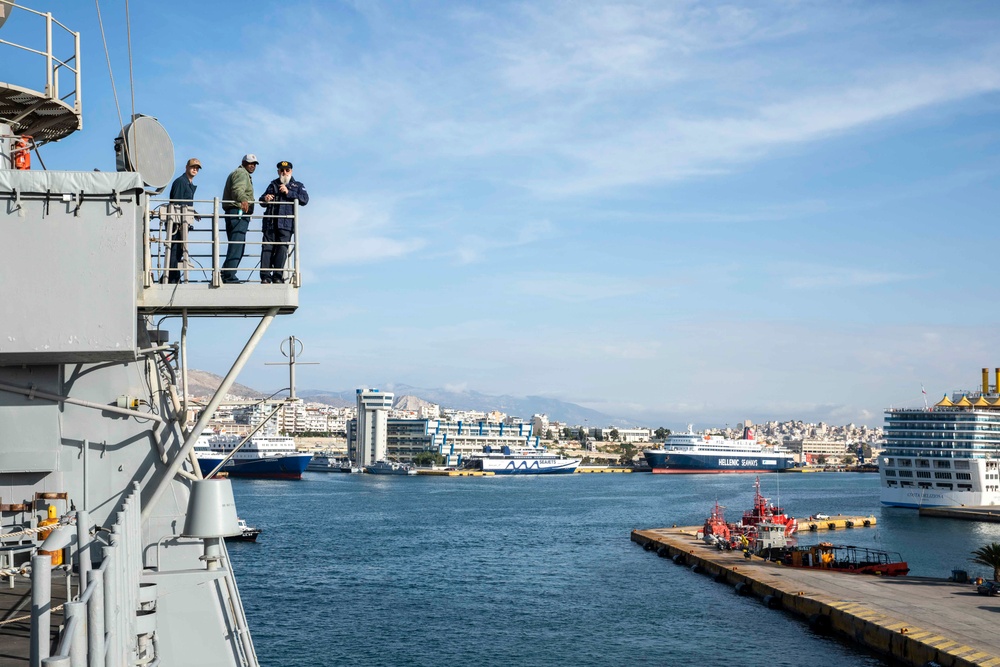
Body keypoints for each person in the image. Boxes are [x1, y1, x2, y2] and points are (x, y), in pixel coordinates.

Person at [258, 160, 308, 283]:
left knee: (282, 249)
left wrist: (289, 192)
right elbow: (261, 200)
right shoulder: (273, 184)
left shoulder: (298, 185)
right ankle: (265, 276)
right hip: (270, 223)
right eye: (281, 170)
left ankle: (277, 276)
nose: (284, 172)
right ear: (278, 171)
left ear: (291, 171)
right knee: (267, 248)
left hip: (286, 224)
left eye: (287, 170)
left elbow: (305, 200)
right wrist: (266, 198)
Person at [220, 154, 258, 283]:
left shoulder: (241, 173)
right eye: (250, 163)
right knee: (237, 244)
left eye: (254, 164)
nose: (252, 166)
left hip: (236, 212)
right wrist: (243, 199)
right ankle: (229, 275)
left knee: (236, 244)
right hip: (238, 212)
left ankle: (226, 273)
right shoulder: (241, 173)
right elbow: (237, 189)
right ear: (243, 163)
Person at [164, 157, 201, 283]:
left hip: (183, 223)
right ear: (187, 167)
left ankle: (174, 277)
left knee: (178, 251)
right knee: (174, 251)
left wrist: (193, 213)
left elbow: (184, 204)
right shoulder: (181, 182)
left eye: (197, 168)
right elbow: (177, 204)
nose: (195, 169)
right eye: (193, 167)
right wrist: (178, 223)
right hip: (177, 224)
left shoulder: (187, 183)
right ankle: (172, 279)